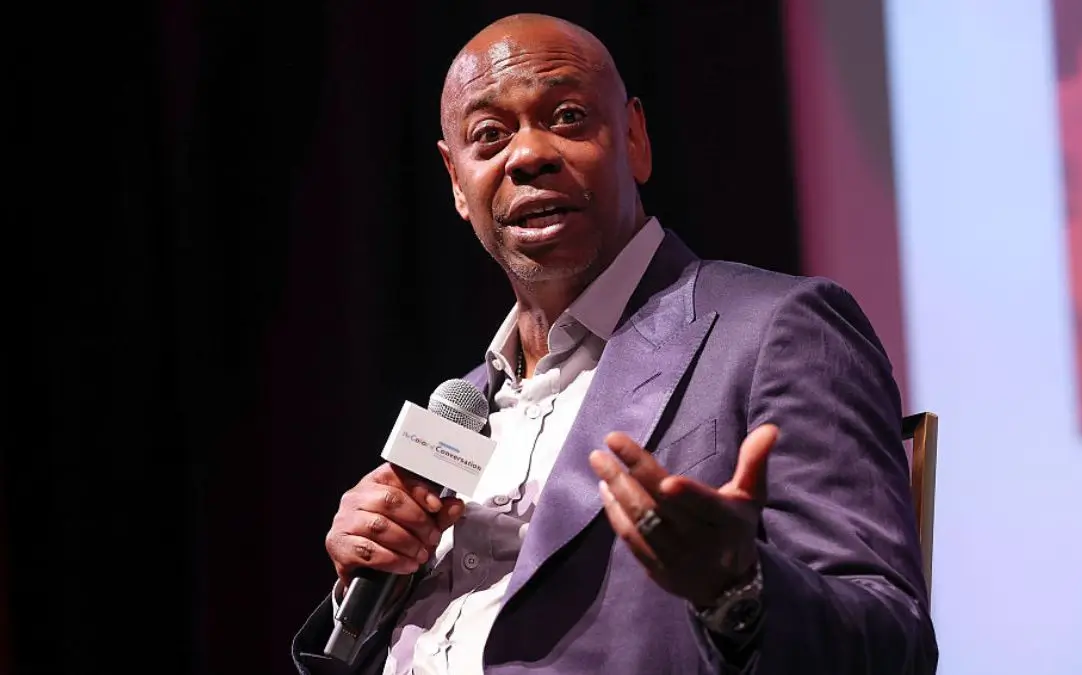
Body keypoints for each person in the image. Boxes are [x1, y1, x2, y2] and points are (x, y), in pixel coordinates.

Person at [292, 13, 937, 675]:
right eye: (490, 135)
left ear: (634, 138)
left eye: (568, 117)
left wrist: (737, 588)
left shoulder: (778, 330)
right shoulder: (461, 408)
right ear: (457, 181)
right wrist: (363, 585)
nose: (528, 154)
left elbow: (893, 644)